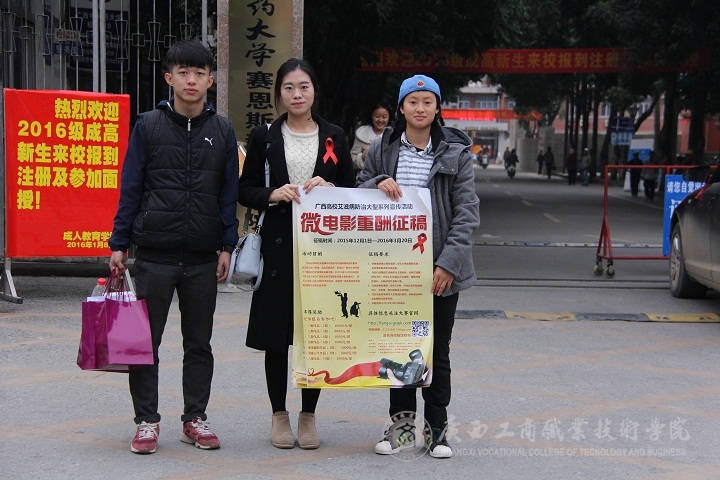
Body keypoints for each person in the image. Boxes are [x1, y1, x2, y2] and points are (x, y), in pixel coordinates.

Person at [108, 39, 240, 455]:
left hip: (202, 257)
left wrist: (227, 244)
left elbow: (228, 193)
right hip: (155, 254)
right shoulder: (148, 125)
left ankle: (194, 419)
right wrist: (119, 242)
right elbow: (131, 186)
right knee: (144, 343)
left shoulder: (222, 130)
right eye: (183, 72)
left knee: (199, 344)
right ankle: (146, 422)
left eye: (199, 73)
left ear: (211, 80)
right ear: (169, 78)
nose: (191, 80)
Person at [356, 74, 480, 459]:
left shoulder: (456, 153)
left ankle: (437, 430)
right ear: (401, 108)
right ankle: (402, 427)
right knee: (399, 349)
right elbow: (359, 189)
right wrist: (378, 181)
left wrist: (448, 264)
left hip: (439, 272)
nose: (420, 108)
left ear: (438, 108)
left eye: (428, 102)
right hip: (395, 270)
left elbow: (467, 214)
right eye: (413, 101)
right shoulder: (383, 147)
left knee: (436, 350)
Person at [237, 58, 355, 450]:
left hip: (323, 250)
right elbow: (245, 189)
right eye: (289, 87)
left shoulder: (334, 136)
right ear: (279, 94)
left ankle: (308, 416)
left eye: (304, 86)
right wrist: (273, 193)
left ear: (315, 91)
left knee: (315, 335)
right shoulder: (265, 136)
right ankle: (278, 415)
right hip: (277, 247)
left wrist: (331, 190)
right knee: (276, 337)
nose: (297, 94)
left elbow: (352, 191)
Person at [350, 101, 393, 176]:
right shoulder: (362, 134)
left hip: (386, 179)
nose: (380, 120)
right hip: (364, 178)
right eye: (377, 116)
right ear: (372, 116)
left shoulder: (393, 135)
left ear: (389, 118)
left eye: (384, 117)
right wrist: (362, 157)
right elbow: (351, 159)